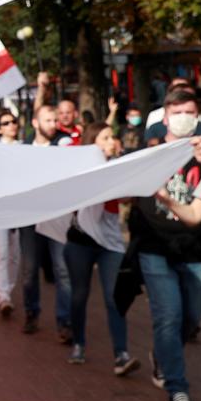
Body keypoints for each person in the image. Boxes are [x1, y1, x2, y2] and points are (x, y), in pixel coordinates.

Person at [128, 89, 201, 401]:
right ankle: (177, 388)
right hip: (154, 248)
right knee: (168, 315)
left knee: (191, 318)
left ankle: (162, 356)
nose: (184, 117)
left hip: (193, 249)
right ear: (166, 118)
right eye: (177, 112)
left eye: (190, 111)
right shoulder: (149, 154)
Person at [60, 123, 138, 374]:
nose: (111, 140)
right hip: (80, 242)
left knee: (114, 298)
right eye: (105, 137)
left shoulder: (117, 167)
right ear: (93, 142)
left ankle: (121, 355)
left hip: (110, 243)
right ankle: (79, 344)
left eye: (112, 136)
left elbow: (125, 197)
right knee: (79, 295)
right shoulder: (78, 169)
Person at [19, 105, 73, 338]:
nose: (53, 124)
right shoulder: (23, 149)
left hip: (58, 217)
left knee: (62, 270)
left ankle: (65, 321)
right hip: (30, 218)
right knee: (30, 270)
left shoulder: (64, 145)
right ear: (35, 123)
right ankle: (31, 312)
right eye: (48, 120)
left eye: (55, 120)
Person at [0, 111, 22, 317]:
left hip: (18, 209)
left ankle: (8, 288)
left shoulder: (23, 149)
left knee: (15, 255)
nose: (11, 126)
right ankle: (3, 297)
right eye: (6, 123)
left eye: (14, 122)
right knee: (1, 252)